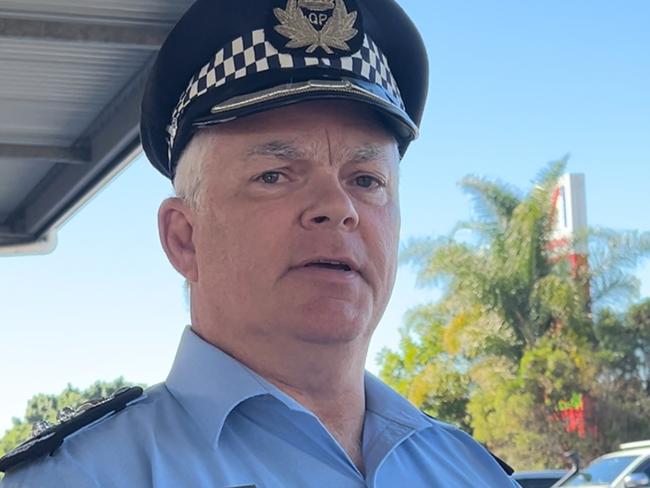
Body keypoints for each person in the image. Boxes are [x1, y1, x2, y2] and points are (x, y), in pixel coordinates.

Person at [1, 0, 521, 486]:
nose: (338, 207)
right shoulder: (84, 477)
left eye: (366, 180)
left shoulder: (471, 471)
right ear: (184, 238)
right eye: (275, 175)